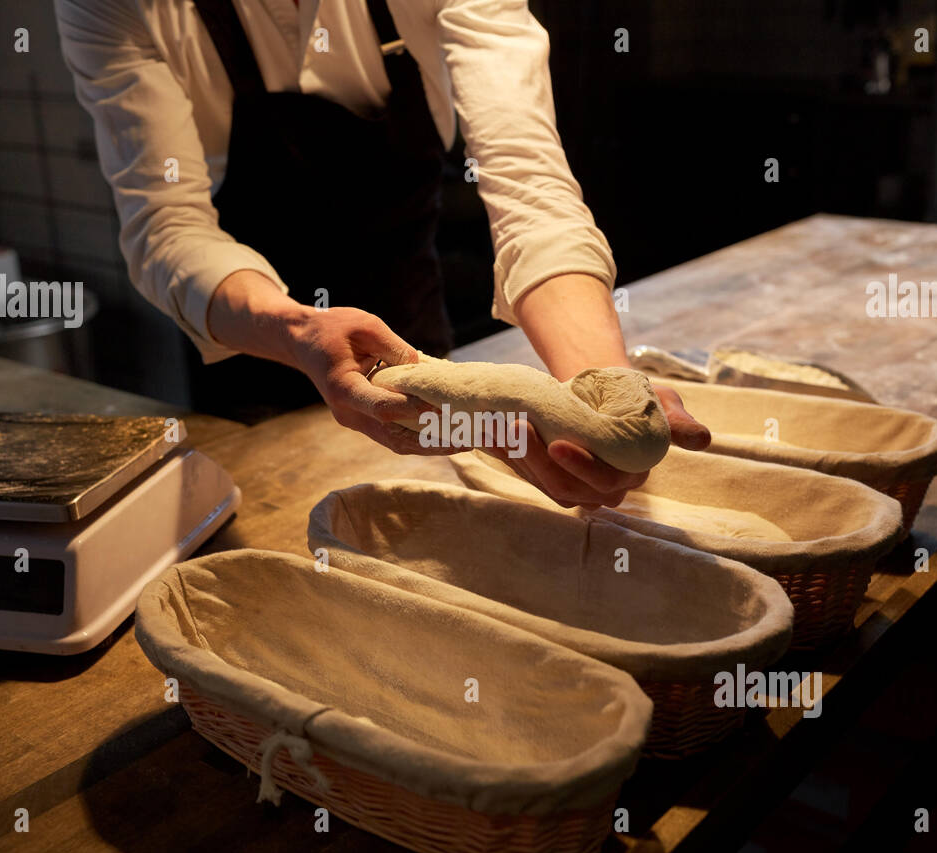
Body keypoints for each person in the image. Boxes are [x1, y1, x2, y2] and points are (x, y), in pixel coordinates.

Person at [56, 0, 709, 508]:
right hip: (252, 353)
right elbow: (166, 228)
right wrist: (297, 329)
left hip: (413, 348)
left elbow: (528, 186)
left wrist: (601, 397)